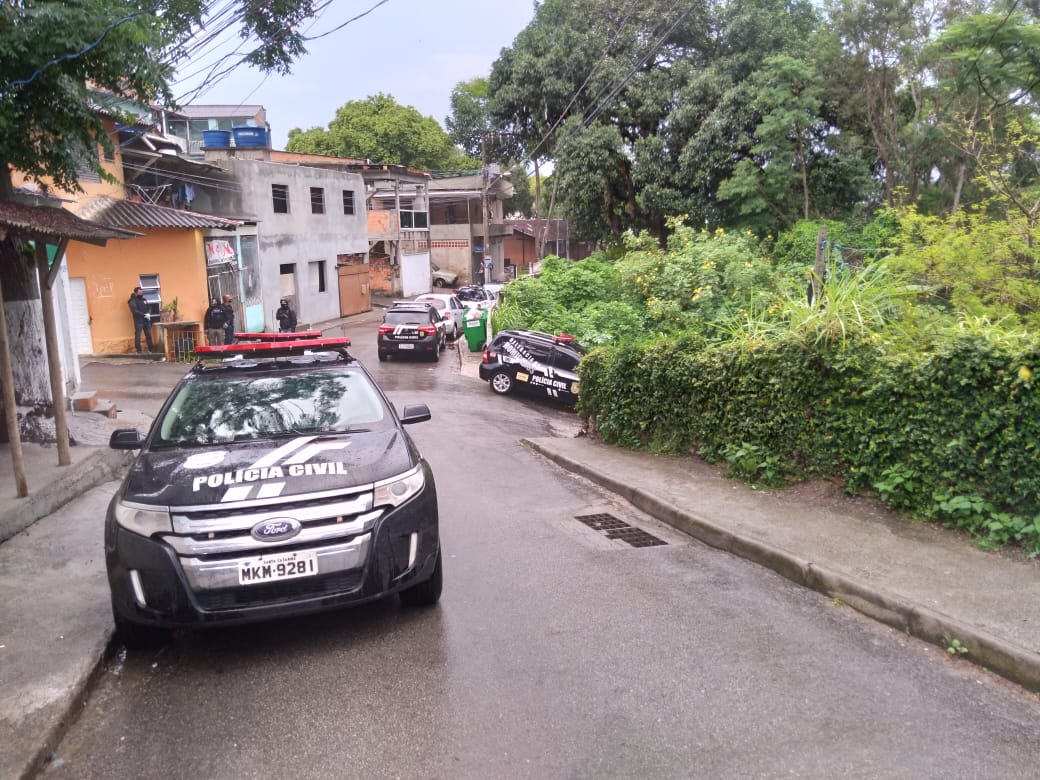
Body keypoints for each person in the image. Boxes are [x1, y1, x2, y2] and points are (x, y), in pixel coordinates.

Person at [127, 286, 155, 353]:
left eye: (142, 292)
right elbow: (135, 311)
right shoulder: (132, 301)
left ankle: (151, 350)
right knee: (138, 336)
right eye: (140, 292)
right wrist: (144, 315)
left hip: (146, 320)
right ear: (136, 293)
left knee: (148, 335)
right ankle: (139, 350)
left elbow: (149, 307)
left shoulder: (144, 300)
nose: (141, 293)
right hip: (138, 321)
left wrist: (149, 313)